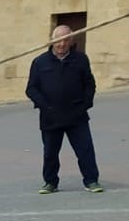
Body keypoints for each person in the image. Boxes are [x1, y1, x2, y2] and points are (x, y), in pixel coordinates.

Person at [25, 25, 103, 194]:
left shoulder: (81, 59)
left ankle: (91, 181)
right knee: (50, 153)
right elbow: (31, 89)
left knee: (85, 149)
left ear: (72, 41)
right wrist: (46, 106)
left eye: (66, 40)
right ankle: (50, 182)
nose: (62, 44)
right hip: (51, 116)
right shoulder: (39, 62)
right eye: (58, 40)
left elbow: (89, 84)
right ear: (52, 41)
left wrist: (85, 104)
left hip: (76, 114)